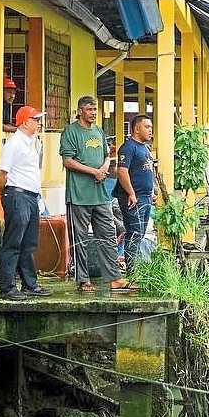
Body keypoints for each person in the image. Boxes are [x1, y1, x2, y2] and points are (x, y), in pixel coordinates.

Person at [60, 96, 132, 292]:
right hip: (79, 195)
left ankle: (114, 278)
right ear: (80, 110)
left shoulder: (99, 131)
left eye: (95, 109)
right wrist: (94, 172)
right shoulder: (70, 131)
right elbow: (68, 161)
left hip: (100, 195)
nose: (93, 113)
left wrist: (105, 167)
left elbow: (107, 155)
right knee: (81, 238)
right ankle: (83, 280)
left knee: (108, 235)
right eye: (90, 109)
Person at [0, 106, 50, 300]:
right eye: (35, 119)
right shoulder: (15, 144)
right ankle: (7, 288)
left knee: (29, 243)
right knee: (13, 243)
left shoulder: (30, 142)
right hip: (17, 195)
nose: (38, 123)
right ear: (25, 122)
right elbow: (1, 175)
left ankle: (29, 284)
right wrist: (7, 197)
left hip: (30, 197)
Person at [114, 114, 157, 274]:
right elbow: (122, 171)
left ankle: (136, 270)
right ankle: (132, 273)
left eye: (151, 127)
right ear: (137, 129)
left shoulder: (145, 148)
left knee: (140, 235)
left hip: (146, 198)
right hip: (134, 199)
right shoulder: (128, 147)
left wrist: (152, 191)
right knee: (134, 234)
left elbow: (148, 171)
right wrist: (131, 193)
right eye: (147, 127)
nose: (150, 130)